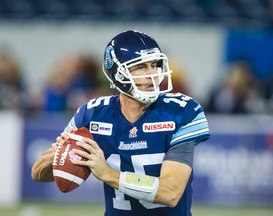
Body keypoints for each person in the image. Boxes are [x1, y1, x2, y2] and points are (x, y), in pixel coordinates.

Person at [31, 30, 210, 216]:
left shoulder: (181, 111)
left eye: (155, 65)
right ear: (119, 74)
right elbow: (37, 173)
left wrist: (107, 173)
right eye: (141, 67)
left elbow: (170, 192)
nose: (153, 74)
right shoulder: (93, 114)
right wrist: (64, 155)